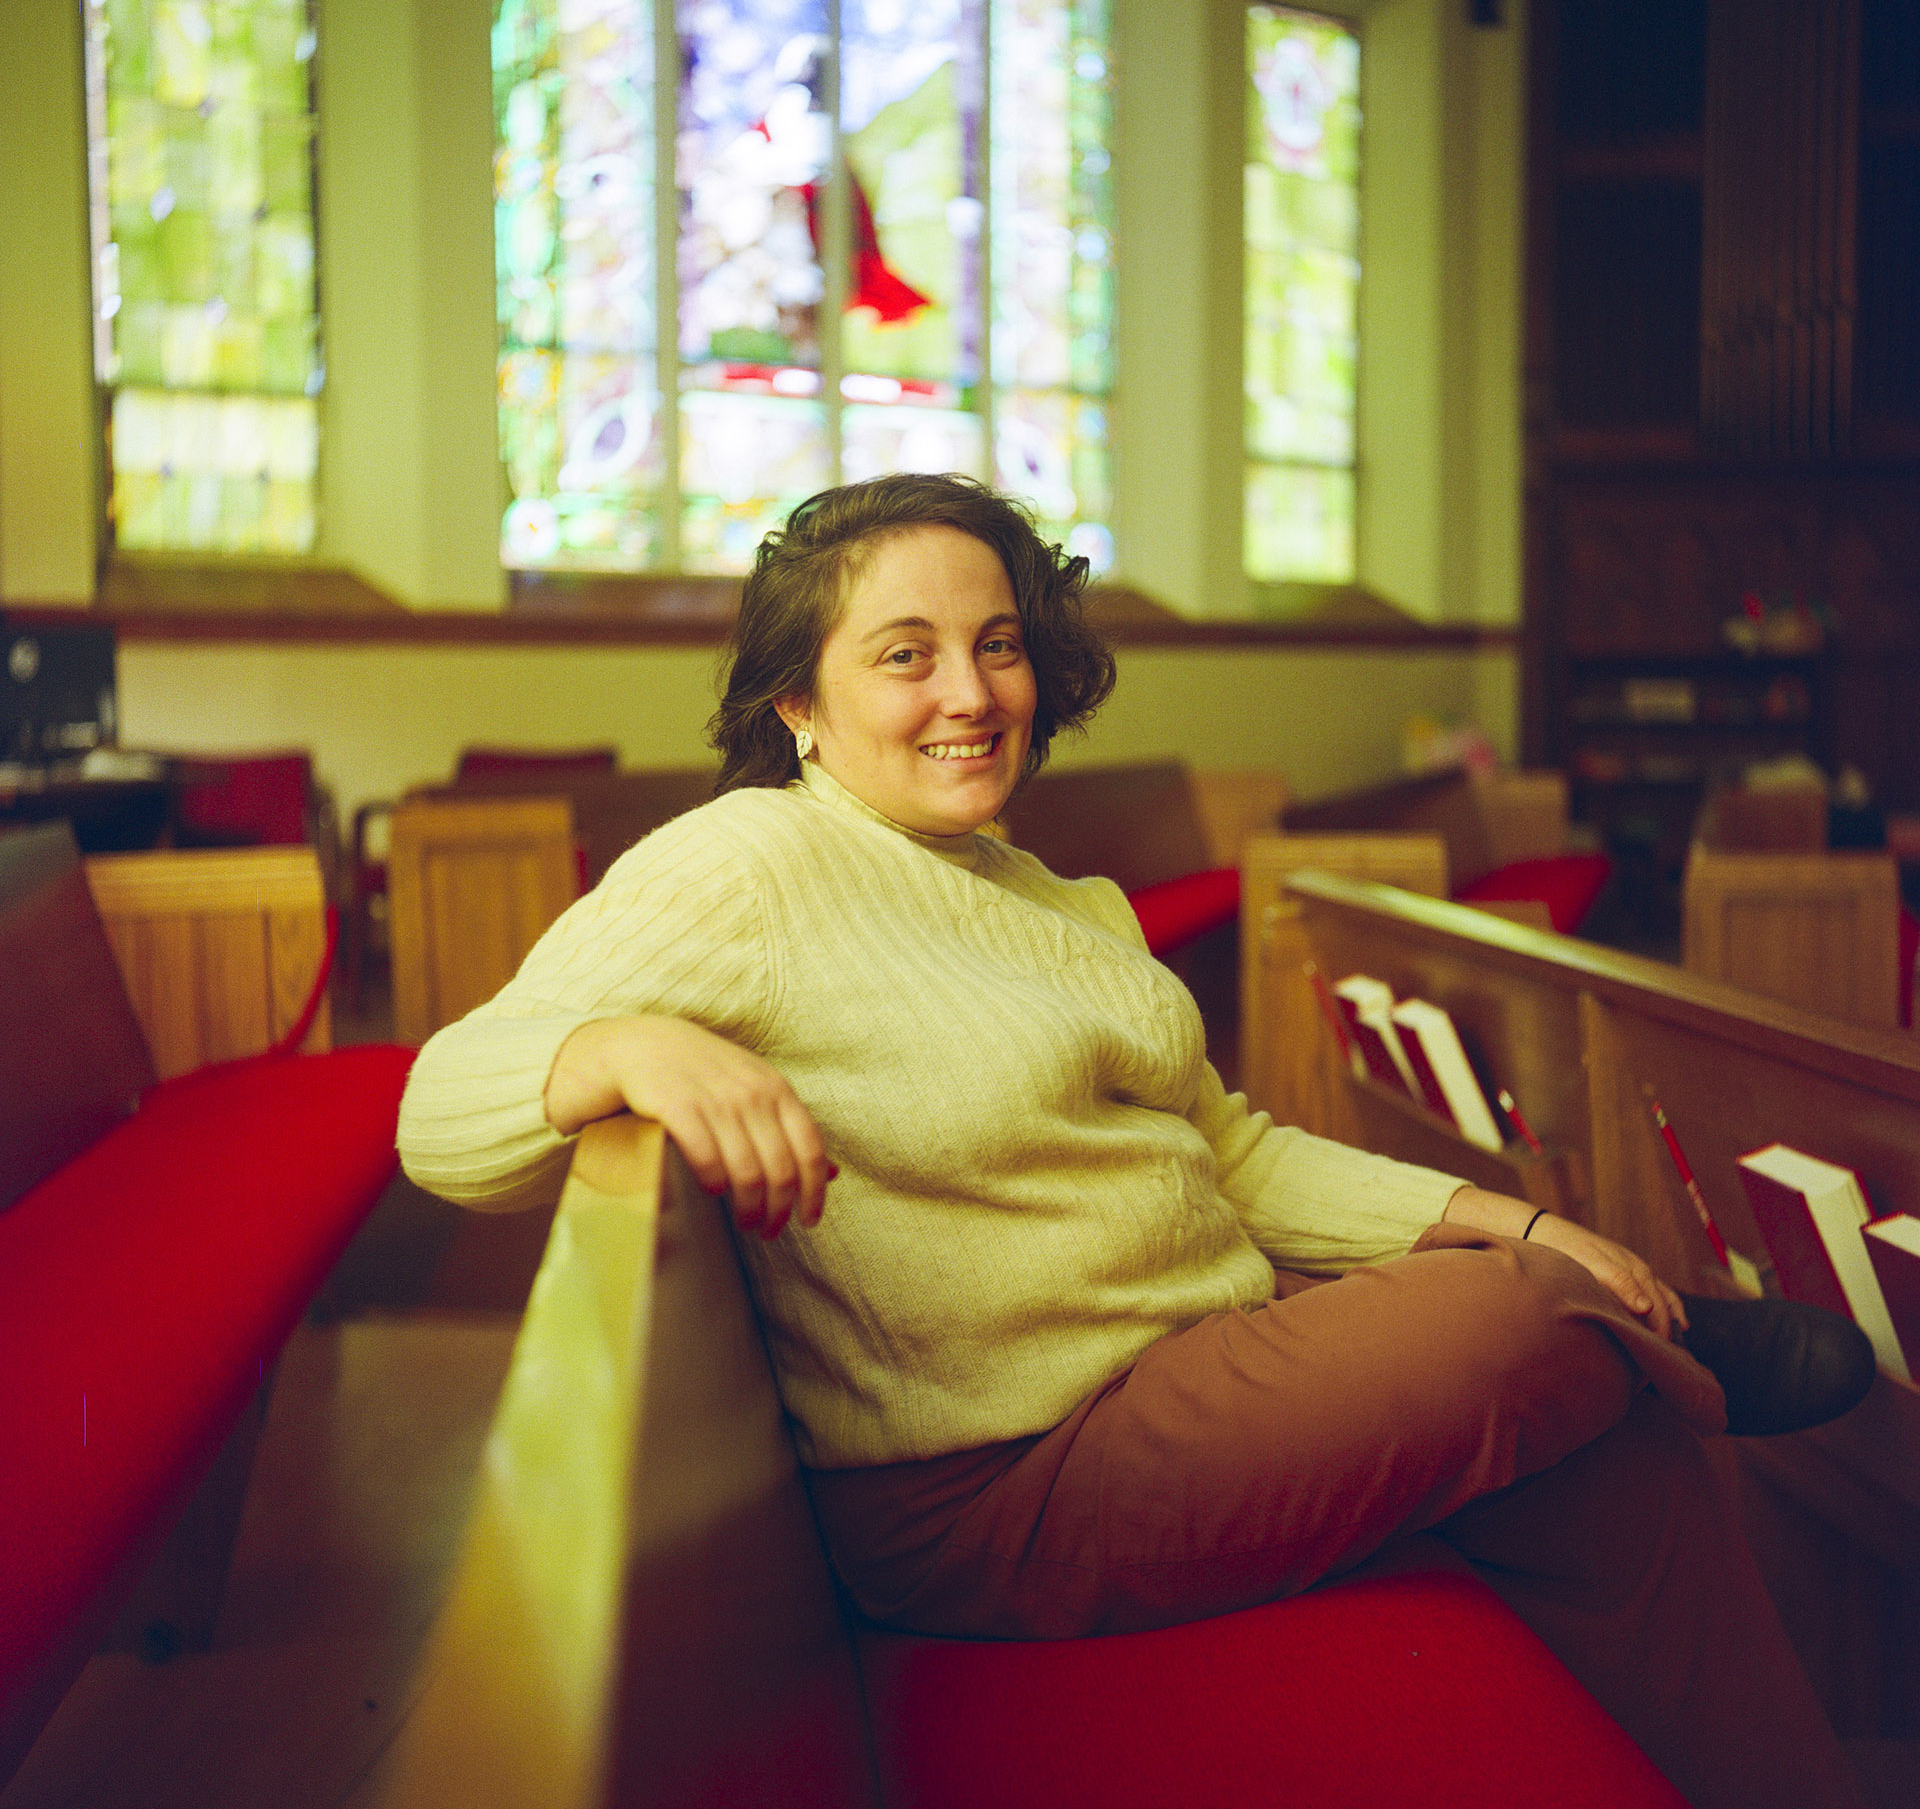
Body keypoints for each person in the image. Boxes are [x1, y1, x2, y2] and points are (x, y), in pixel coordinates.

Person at [398, 474, 1874, 1809]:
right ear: (799, 703)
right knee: (1527, 1328)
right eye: (903, 655)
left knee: (1610, 1444)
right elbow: (438, 1114)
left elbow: (1229, 1154)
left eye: (998, 644)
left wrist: (1517, 1217)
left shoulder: (1057, 896)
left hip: (1192, 1369)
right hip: (1007, 1480)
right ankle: (1676, 1336)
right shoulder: (752, 863)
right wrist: (617, 1045)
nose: (968, 693)